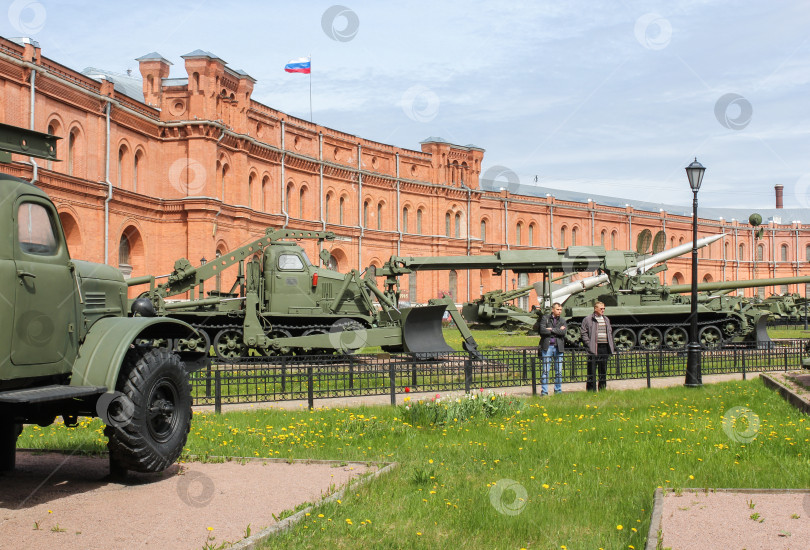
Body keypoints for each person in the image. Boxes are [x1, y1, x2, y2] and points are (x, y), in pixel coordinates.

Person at [580, 301, 615, 392]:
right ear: (595, 309)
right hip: (594, 347)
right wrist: (589, 344)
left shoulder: (606, 319)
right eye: (601, 308)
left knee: (603, 369)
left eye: (604, 308)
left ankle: (602, 388)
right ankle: (591, 389)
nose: (603, 310)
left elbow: (609, 332)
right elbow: (583, 333)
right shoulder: (588, 319)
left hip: (604, 347)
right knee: (591, 369)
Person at [537, 302, 567, 396]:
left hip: (559, 347)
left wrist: (552, 330)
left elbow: (563, 332)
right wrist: (558, 330)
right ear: (553, 310)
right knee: (546, 370)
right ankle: (544, 391)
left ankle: (558, 390)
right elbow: (542, 330)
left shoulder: (562, 320)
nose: (559, 311)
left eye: (560, 310)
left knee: (559, 371)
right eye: (557, 309)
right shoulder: (545, 318)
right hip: (547, 346)